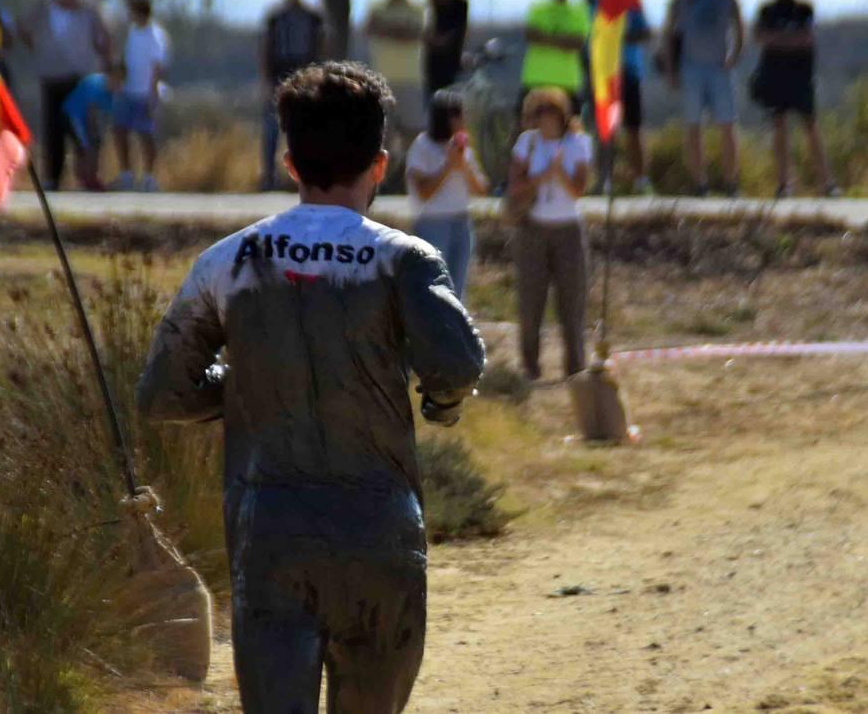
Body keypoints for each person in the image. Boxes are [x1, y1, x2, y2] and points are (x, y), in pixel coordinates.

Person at [136, 61, 485, 714]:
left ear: (289, 162)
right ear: (380, 166)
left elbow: (163, 391)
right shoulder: (404, 258)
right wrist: (441, 405)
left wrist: (247, 383)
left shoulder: (227, 261)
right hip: (381, 528)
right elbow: (458, 362)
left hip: (269, 532)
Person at [509, 88, 592, 380]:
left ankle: (575, 367)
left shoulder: (578, 143)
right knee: (531, 303)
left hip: (568, 229)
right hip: (533, 229)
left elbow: (579, 189)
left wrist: (559, 174)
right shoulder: (527, 144)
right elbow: (515, 188)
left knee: (573, 303)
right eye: (540, 117)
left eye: (551, 117)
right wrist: (542, 177)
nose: (545, 123)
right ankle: (530, 366)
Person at [19, 0, 111, 191]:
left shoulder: (88, 3)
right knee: (52, 129)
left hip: (81, 76)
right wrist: (38, 50)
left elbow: (103, 35)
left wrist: (106, 61)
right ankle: (52, 177)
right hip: (52, 74)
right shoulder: (44, 3)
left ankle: (89, 176)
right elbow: (24, 28)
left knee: (83, 129)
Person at [662, 0, 744, 197]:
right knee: (693, 127)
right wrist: (671, 69)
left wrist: (735, 55)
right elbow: (668, 33)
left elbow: (740, 26)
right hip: (691, 67)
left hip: (719, 68)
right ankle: (699, 184)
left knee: (727, 125)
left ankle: (731, 184)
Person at [752, 0, 838, 198]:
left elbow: (807, 38)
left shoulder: (803, 8)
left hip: (800, 75)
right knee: (779, 127)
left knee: (810, 126)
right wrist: (789, 39)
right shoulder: (767, 9)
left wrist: (779, 39)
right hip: (775, 74)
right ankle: (784, 184)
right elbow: (760, 36)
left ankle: (827, 182)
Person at [406, 89, 488, 299]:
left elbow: (481, 188)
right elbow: (423, 192)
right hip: (432, 223)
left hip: (461, 221)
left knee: (457, 288)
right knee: (433, 285)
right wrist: (448, 167)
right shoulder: (422, 145)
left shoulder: (461, 147)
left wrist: (463, 166)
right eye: (459, 115)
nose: (463, 120)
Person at [586, 0, 651, 193]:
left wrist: (619, 36)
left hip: (629, 70)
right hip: (602, 73)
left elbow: (645, 32)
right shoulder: (591, 0)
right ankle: (603, 180)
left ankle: (641, 181)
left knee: (634, 128)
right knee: (603, 128)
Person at [260, 0, 325, 190]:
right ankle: (269, 177)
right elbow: (266, 47)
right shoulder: (275, 16)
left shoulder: (311, 16)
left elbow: (320, 45)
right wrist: (266, 79)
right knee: (271, 128)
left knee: (308, 128)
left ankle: (309, 175)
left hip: (305, 74)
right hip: (280, 73)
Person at [366, 0, 427, 178]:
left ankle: (409, 177)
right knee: (383, 135)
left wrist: (388, 28)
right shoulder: (377, 5)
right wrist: (399, 29)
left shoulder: (417, 6)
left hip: (410, 78)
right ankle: (384, 180)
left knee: (412, 131)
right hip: (382, 79)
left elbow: (416, 33)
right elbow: (371, 28)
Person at [114, 0, 169, 192]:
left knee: (146, 136)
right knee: (120, 130)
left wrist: (153, 95)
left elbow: (157, 66)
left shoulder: (155, 35)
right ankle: (127, 175)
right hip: (128, 90)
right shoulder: (132, 32)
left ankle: (149, 177)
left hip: (145, 92)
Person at [522, 0, 591, 114]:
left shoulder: (578, 10)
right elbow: (531, 35)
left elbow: (577, 42)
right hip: (537, 79)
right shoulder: (538, 7)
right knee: (525, 127)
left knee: (571, 130)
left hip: (567, 81)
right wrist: (562, 40)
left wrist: (546, 38)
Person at [423, 0, 469, 99]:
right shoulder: (425, 1)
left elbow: (458, 32)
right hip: (426, 68)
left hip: (452, 68)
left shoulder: (459, 3)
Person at [61, 61, 123, 162]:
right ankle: (85, 174)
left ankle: (90, 174)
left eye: (120, 81)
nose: (118, 84)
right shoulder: (96, 84)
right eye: (116, 80)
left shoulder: (110, 94)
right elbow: (91, 113)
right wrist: (93, 135)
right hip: (72, 115)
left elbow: (108, 117)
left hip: (84, 119)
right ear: (111, 76)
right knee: (86, 148)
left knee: (95, 144)